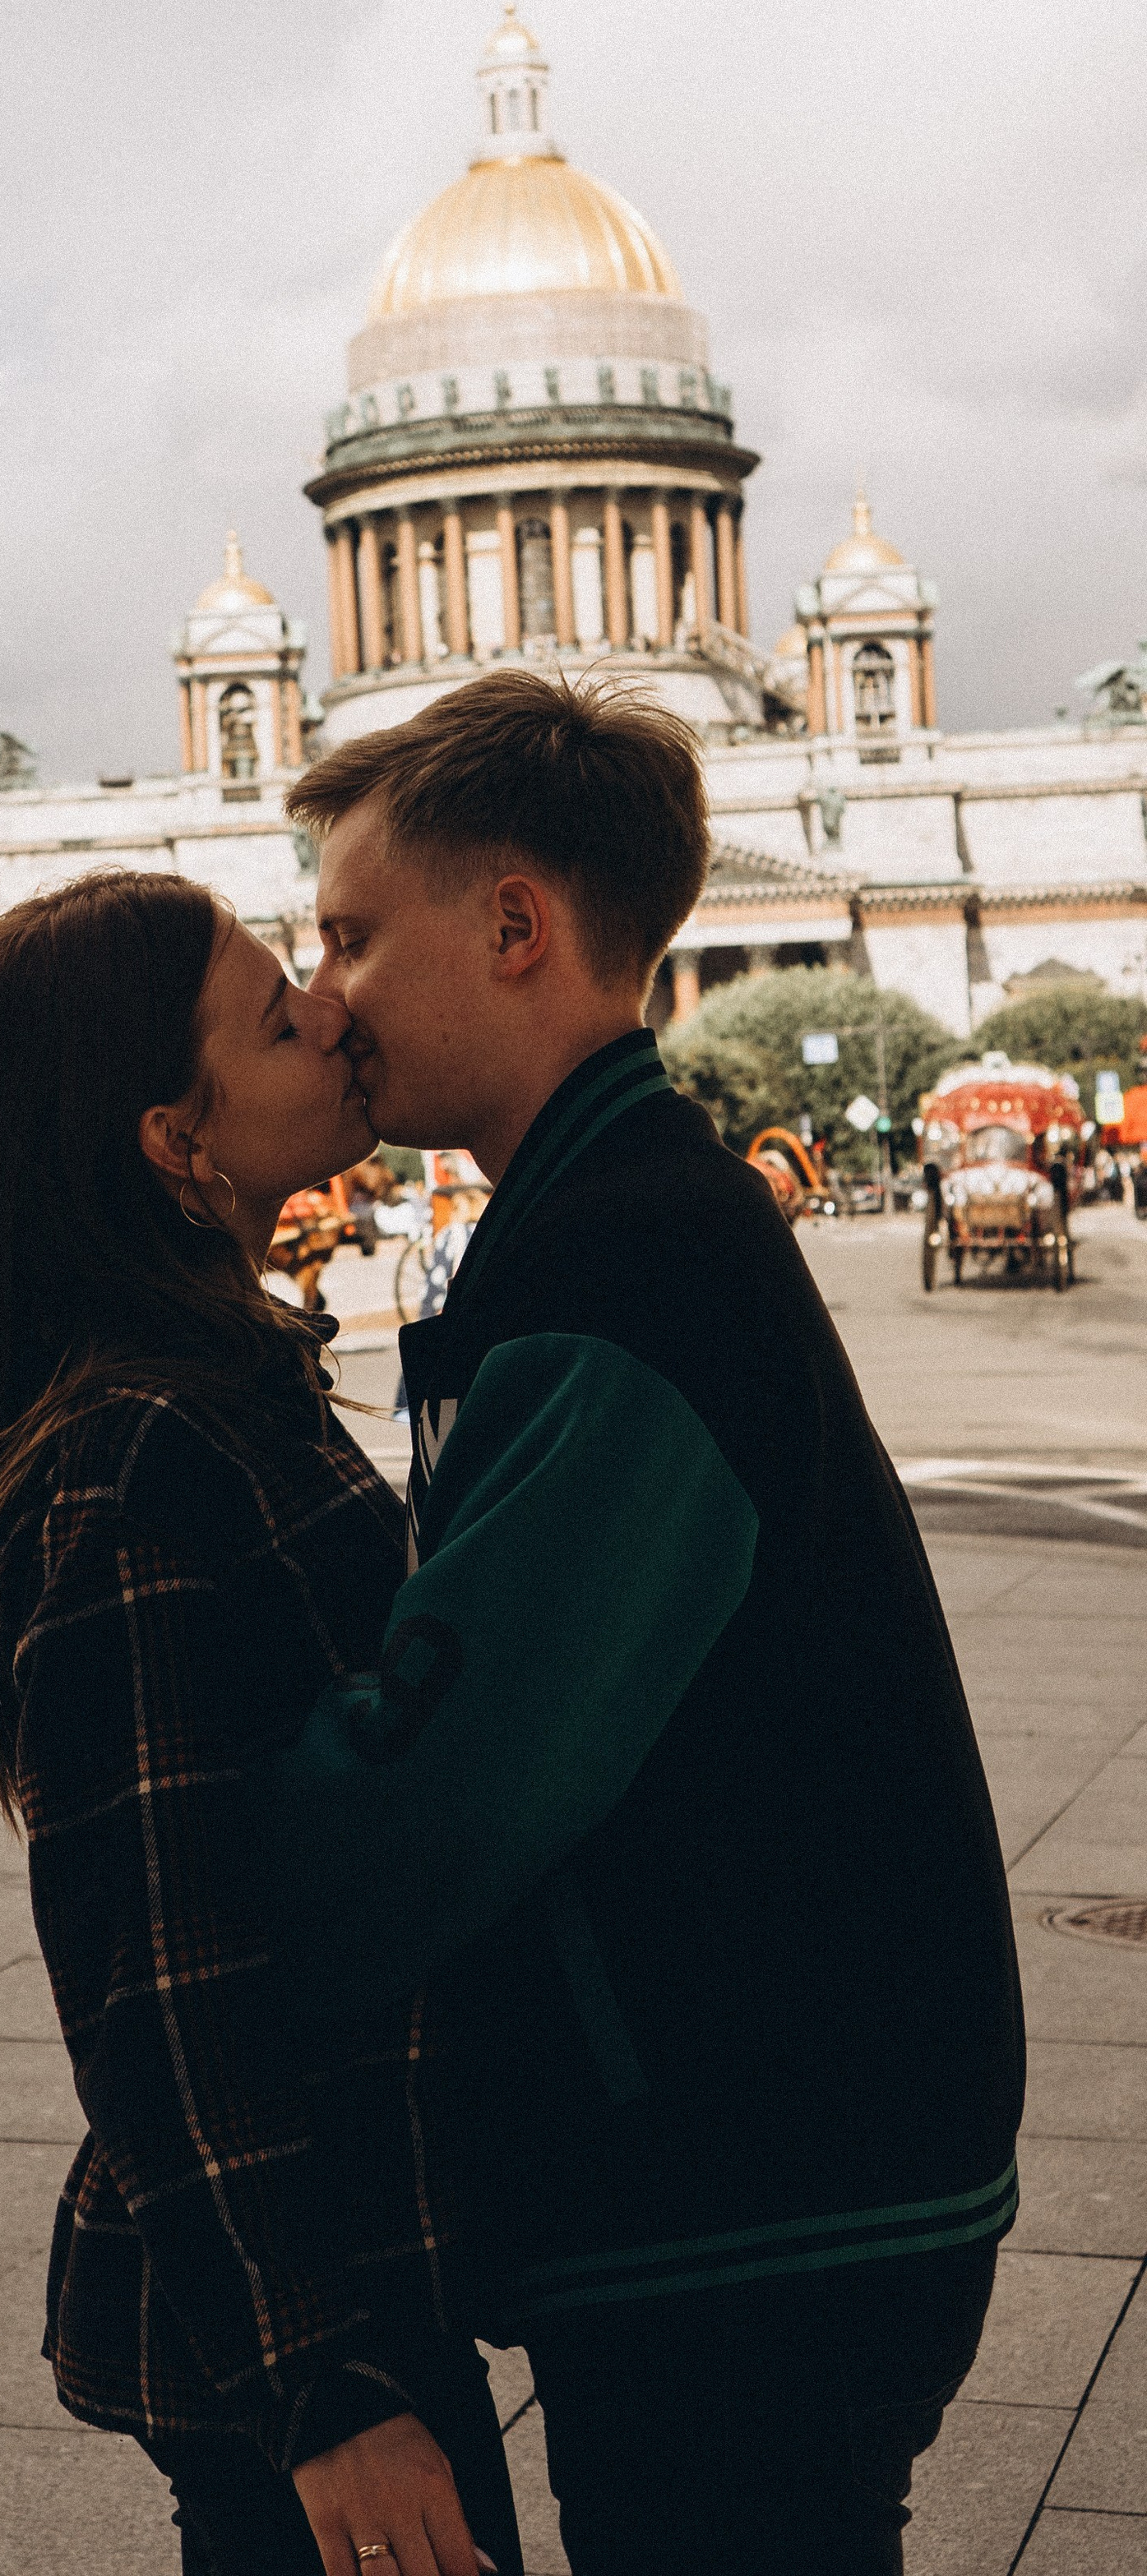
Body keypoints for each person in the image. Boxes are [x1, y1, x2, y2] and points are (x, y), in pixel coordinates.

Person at [262, 670, 1023, 2576]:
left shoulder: (618, 1266)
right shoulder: (623, 1214)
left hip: (747, 2185)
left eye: (350, 931)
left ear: (513, 924)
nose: (322, 987)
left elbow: (431, 1801)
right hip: (785, 2149)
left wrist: (200, 1846)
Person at [0, 874, 523, 2576]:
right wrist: (316, 2385)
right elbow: (151, 1965)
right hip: (307, 2310)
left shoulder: (206, 1390)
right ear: (176, 1144)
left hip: (341, 2265)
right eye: (276, 1014)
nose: (332, 1011)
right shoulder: (138, 1457)